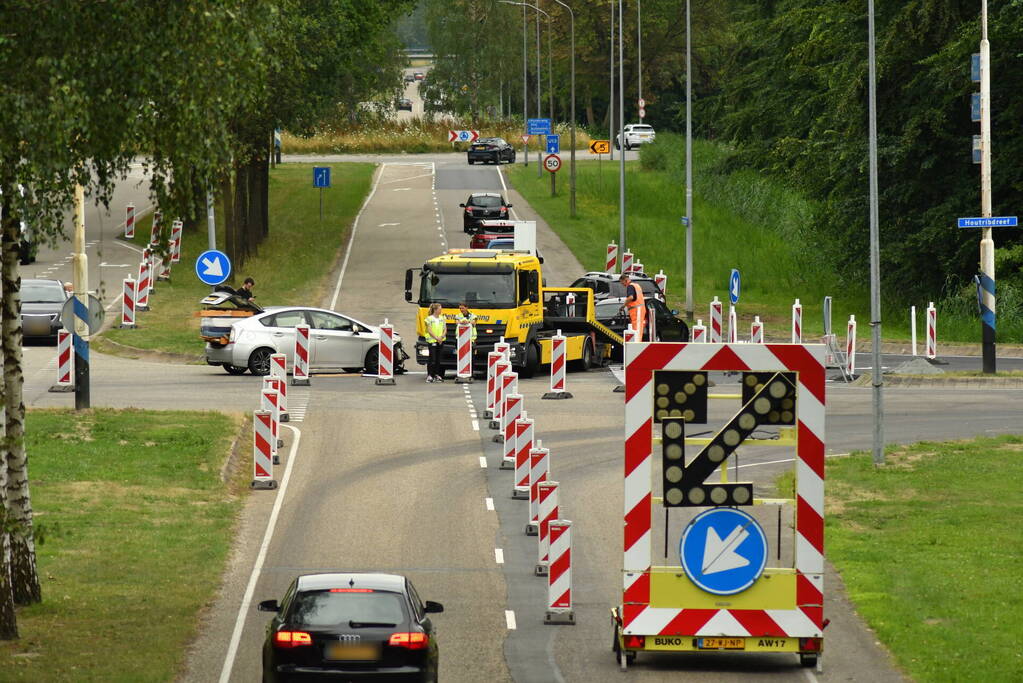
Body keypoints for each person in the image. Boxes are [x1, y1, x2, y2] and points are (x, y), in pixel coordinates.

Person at [619, 273, 646, 341]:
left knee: (636, 329)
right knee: (639, 329)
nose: (624, 285)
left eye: (623, 283)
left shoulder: (630, 286)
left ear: (626, 280)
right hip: (640, 310)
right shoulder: (637, 285)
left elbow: (631, 297)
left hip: (636, 311)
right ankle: (637, 342)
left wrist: (623, 305)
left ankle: (637, 344)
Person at [424, 302, 446, 382]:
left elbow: (445, 329)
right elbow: (429, 330)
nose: (441, 310)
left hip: (440, 341)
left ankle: (437, 375)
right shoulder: (429, 319)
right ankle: (430, 375)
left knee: (438, 359)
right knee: (432, 359)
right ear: (435, 310)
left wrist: (442, 337)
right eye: (440, 309)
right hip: (432, 341)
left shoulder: (442, 318)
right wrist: (437, 338)